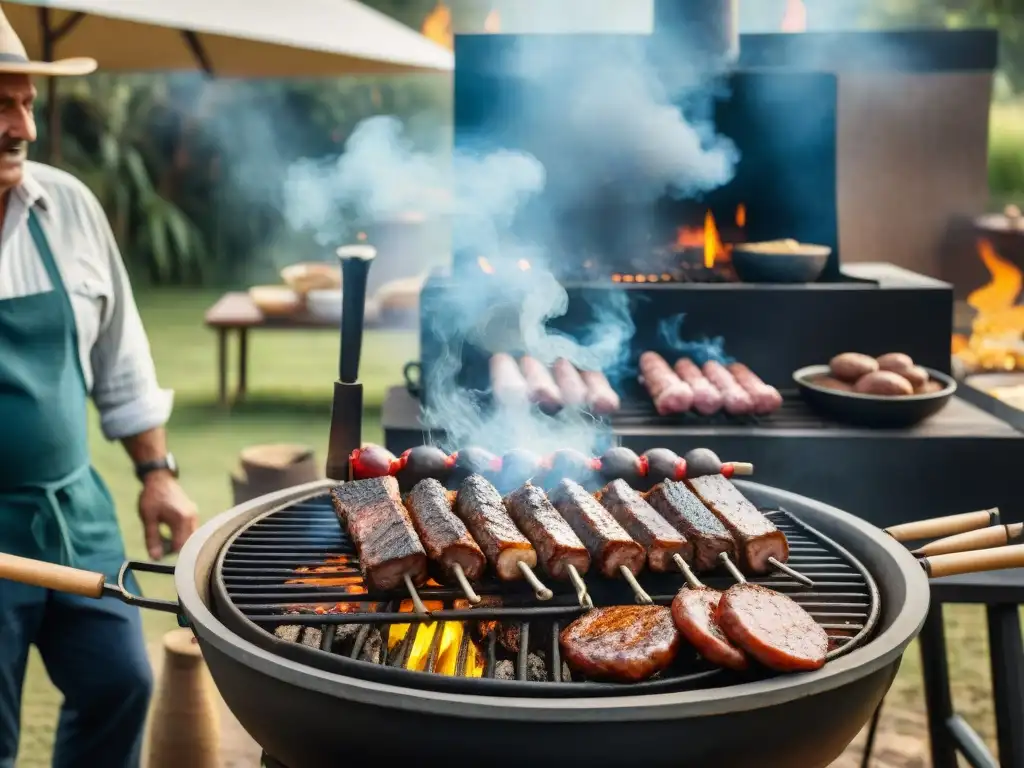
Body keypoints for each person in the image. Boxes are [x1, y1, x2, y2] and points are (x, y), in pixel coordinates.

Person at [0, 9, 198, 767]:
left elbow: (121, 357)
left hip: (74, 510)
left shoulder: (68, 206)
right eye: (0, 105)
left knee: (120, 683)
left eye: (26, 105)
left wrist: (158, 475)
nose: (21, 126)